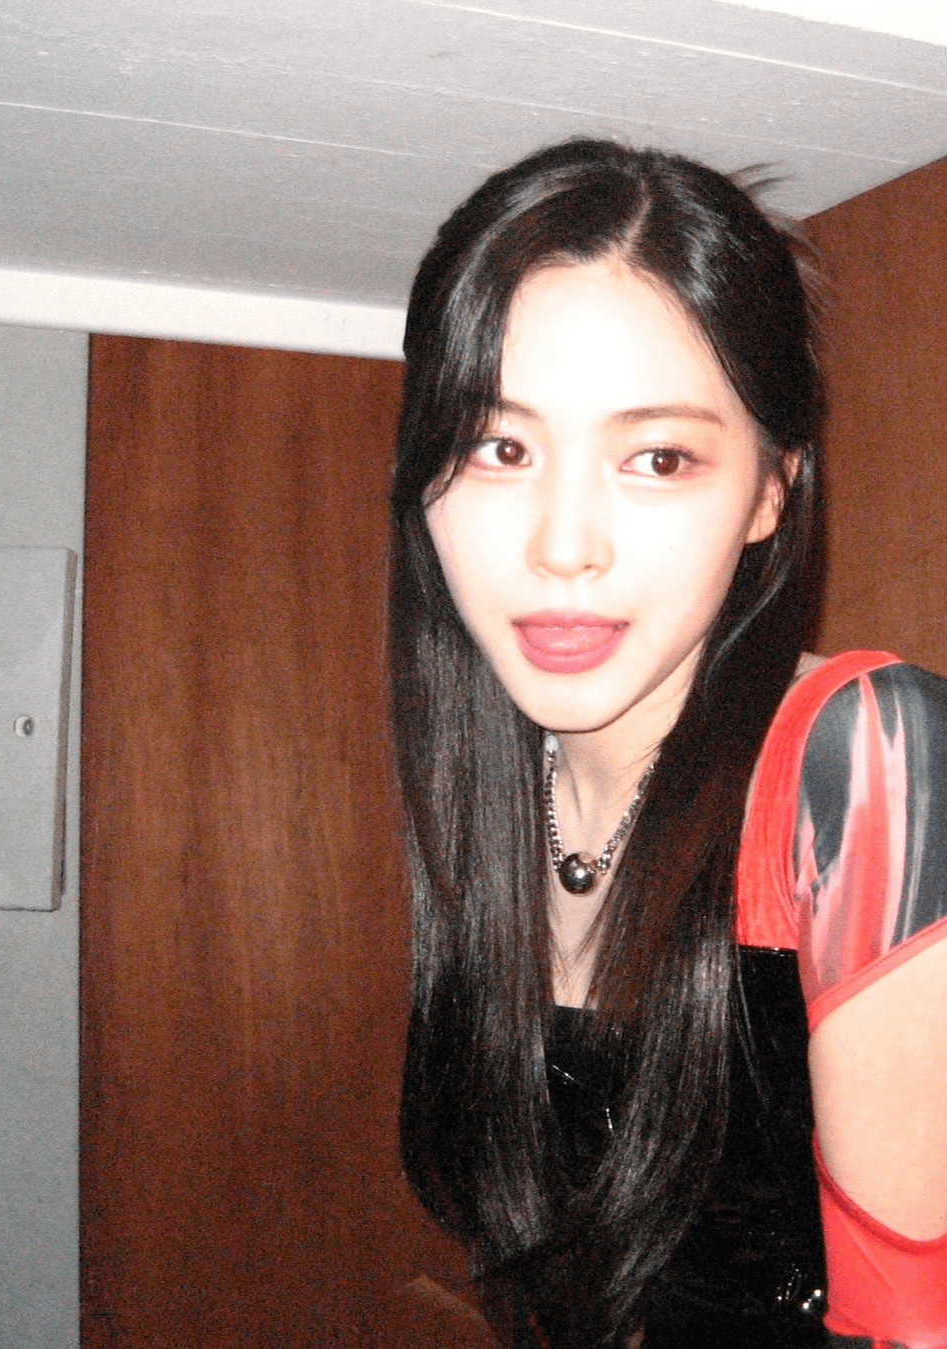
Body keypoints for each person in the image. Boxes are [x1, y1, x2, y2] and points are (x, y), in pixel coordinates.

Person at [389, 139, 947, 1348]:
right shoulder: (499, 787)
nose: (563, 545)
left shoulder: (860, 759)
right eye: (500, 447)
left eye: (657, 458)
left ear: (770, 491)